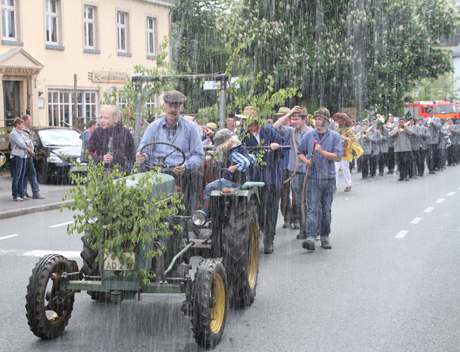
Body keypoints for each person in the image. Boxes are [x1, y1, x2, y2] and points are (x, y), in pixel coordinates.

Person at [136, 90, 205, 213]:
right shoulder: (153, 127)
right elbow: (144, 149)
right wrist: (142, 156)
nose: (173, 109)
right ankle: (143, 212)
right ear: (164, 106)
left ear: (181, 107)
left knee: (195, 177)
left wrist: (185, 166)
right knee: (138, 176)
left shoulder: (191, 128)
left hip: (181, 173)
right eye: (170, 105)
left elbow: (199, 155)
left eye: (177, 106)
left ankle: (187, 215)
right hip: (156, 172)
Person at [298, 107, 343, 251]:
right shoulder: (309, 135)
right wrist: (306, 161)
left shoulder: (335, 136)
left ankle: (324, 237)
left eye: (319, 119)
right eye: (316, 118)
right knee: (312, 209)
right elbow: (300, 152)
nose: (317, 121)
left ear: (326, 121)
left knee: (326, 210)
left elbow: (338, 157)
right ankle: (311, 237)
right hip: (313, 177)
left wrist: (321, 152)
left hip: (329, 179)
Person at [242, 107, 285, 254]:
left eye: (249, 121)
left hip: (272, 177)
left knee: (271, 210)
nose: (248, 124)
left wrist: (276, 147)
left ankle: (269, 241)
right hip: (254, 179)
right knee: (257, 210)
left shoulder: (269, 130)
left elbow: (284, 148)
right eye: (245, 121)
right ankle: (260, 230)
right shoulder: (242, 135)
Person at [273, 106, 312, 238]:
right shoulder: (291, 132)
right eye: (292, 119)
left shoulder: (311, 132)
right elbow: (276, 126)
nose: (294, 121)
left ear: (304, 119)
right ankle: (303, 229)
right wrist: (289, 113)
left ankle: (310, 229)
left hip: (308, 171)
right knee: (297, 202)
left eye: (297, 119)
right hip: (294, 172)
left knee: (308, 201)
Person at [200, 128, 255, 215]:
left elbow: (246, 162)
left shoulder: (234, 153)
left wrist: (235, 167)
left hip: (232, 182)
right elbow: (252, 159)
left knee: (209, 187)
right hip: (242, 180)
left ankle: (206, 211)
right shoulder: (241, 149)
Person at [88, 105, 135, 173]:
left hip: (121, 174)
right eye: (101, 117)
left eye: (106, 118)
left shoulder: (125, 133)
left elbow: (131, 155)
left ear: (115, 119)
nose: (102, 120)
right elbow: (89, 152)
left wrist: (115, 159)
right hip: (100, 173)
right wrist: (101, 159)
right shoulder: (97, 132)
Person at [9, 118, 32, 201]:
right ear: (17, 125)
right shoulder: (13, 133)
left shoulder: (21, 132)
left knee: (22, 176)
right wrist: (28, 149)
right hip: (16, 156)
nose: (23, 126)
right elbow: (21, 144)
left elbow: (27, 141)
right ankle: (15, 195)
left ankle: (21, 194)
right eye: (21, 124)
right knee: (17, 176)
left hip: (23, 156)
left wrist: (28, 143)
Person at [21, 114, 43, 199]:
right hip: (27, 155)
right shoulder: (23, 131)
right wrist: (31, 152)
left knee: (26, 175)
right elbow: (25, 144)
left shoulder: (27, 130)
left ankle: (24, 192)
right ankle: (35, 192)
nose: (31, 122)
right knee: (32, 174)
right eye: (30, 120)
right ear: (25, 121)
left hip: (28, 156)